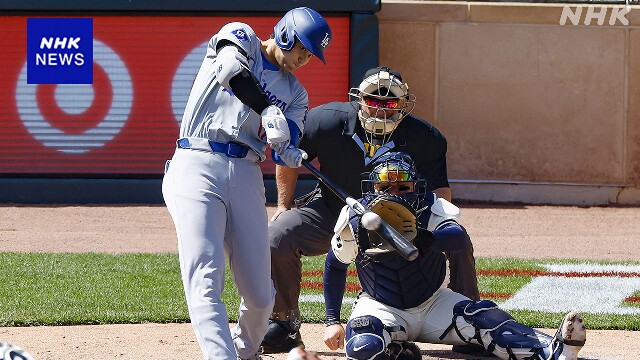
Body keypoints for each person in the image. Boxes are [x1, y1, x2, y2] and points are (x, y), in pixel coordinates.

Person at [262, 67, 481, 354]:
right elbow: (288, 158)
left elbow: (440, 192)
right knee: (279, 234)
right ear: (359, 98)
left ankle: (470, 321)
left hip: (400, 221)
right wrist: (282, 205)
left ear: (403, 104)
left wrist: (425, 228)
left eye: (390, 104)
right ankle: (284, 322)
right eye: (373, 101)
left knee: (456, 238)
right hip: (333, 211)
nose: (381, 110)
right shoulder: (325, 121)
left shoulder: (426, 137)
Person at [162, 7, 331, 360]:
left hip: (247, 172)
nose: (303, 59)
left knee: (260, 294)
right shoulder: (243, 37)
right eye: (301, 48)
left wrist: (289, 148)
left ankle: (245, 350)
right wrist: (269, 110)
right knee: (205, 276)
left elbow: (287, 148)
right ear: (285, 33)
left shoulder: (297, 94)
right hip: (197, 160)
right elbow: (230, 71)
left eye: (310, 55)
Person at [322, 152, 587, 360]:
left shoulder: (431, 208)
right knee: (362, 347)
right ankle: (400, 353)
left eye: (402, 187)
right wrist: (333, 321)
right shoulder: (356, 219)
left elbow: (458, 239)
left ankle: (552, 351)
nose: (394, 194)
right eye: (386, 188)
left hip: (434, 303)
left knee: (487, 318)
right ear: (374, 189)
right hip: (380, 305)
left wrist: (424, 237)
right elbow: (335, 266)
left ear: (415, 187)